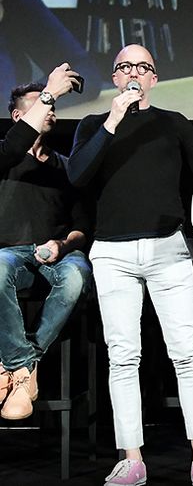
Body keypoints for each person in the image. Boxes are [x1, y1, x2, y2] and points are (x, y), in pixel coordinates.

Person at [67, 44, 193, 486]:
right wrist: (113, 119)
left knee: (186, 353)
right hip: (112, 252)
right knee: (124, 357)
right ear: (115, 77)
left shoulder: (174, 123)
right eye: (125, 67)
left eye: (142, 67)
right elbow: (77, 175)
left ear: (153, 78)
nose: (134, 73)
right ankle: (132, 459)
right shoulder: (93, 124)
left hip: (167, 250)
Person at [0, 67, 91, 421]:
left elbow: (83, 229)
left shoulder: (67, 168)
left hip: (57, 257)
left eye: (51, 105)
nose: (50, 110)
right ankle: (25, 368)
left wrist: (61, 245)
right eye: (40, 104)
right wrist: (50, 91)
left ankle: (17, 368)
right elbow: (13, 145)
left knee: (77, 277)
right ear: (18, 116)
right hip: (12, 259)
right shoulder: (4, 158)